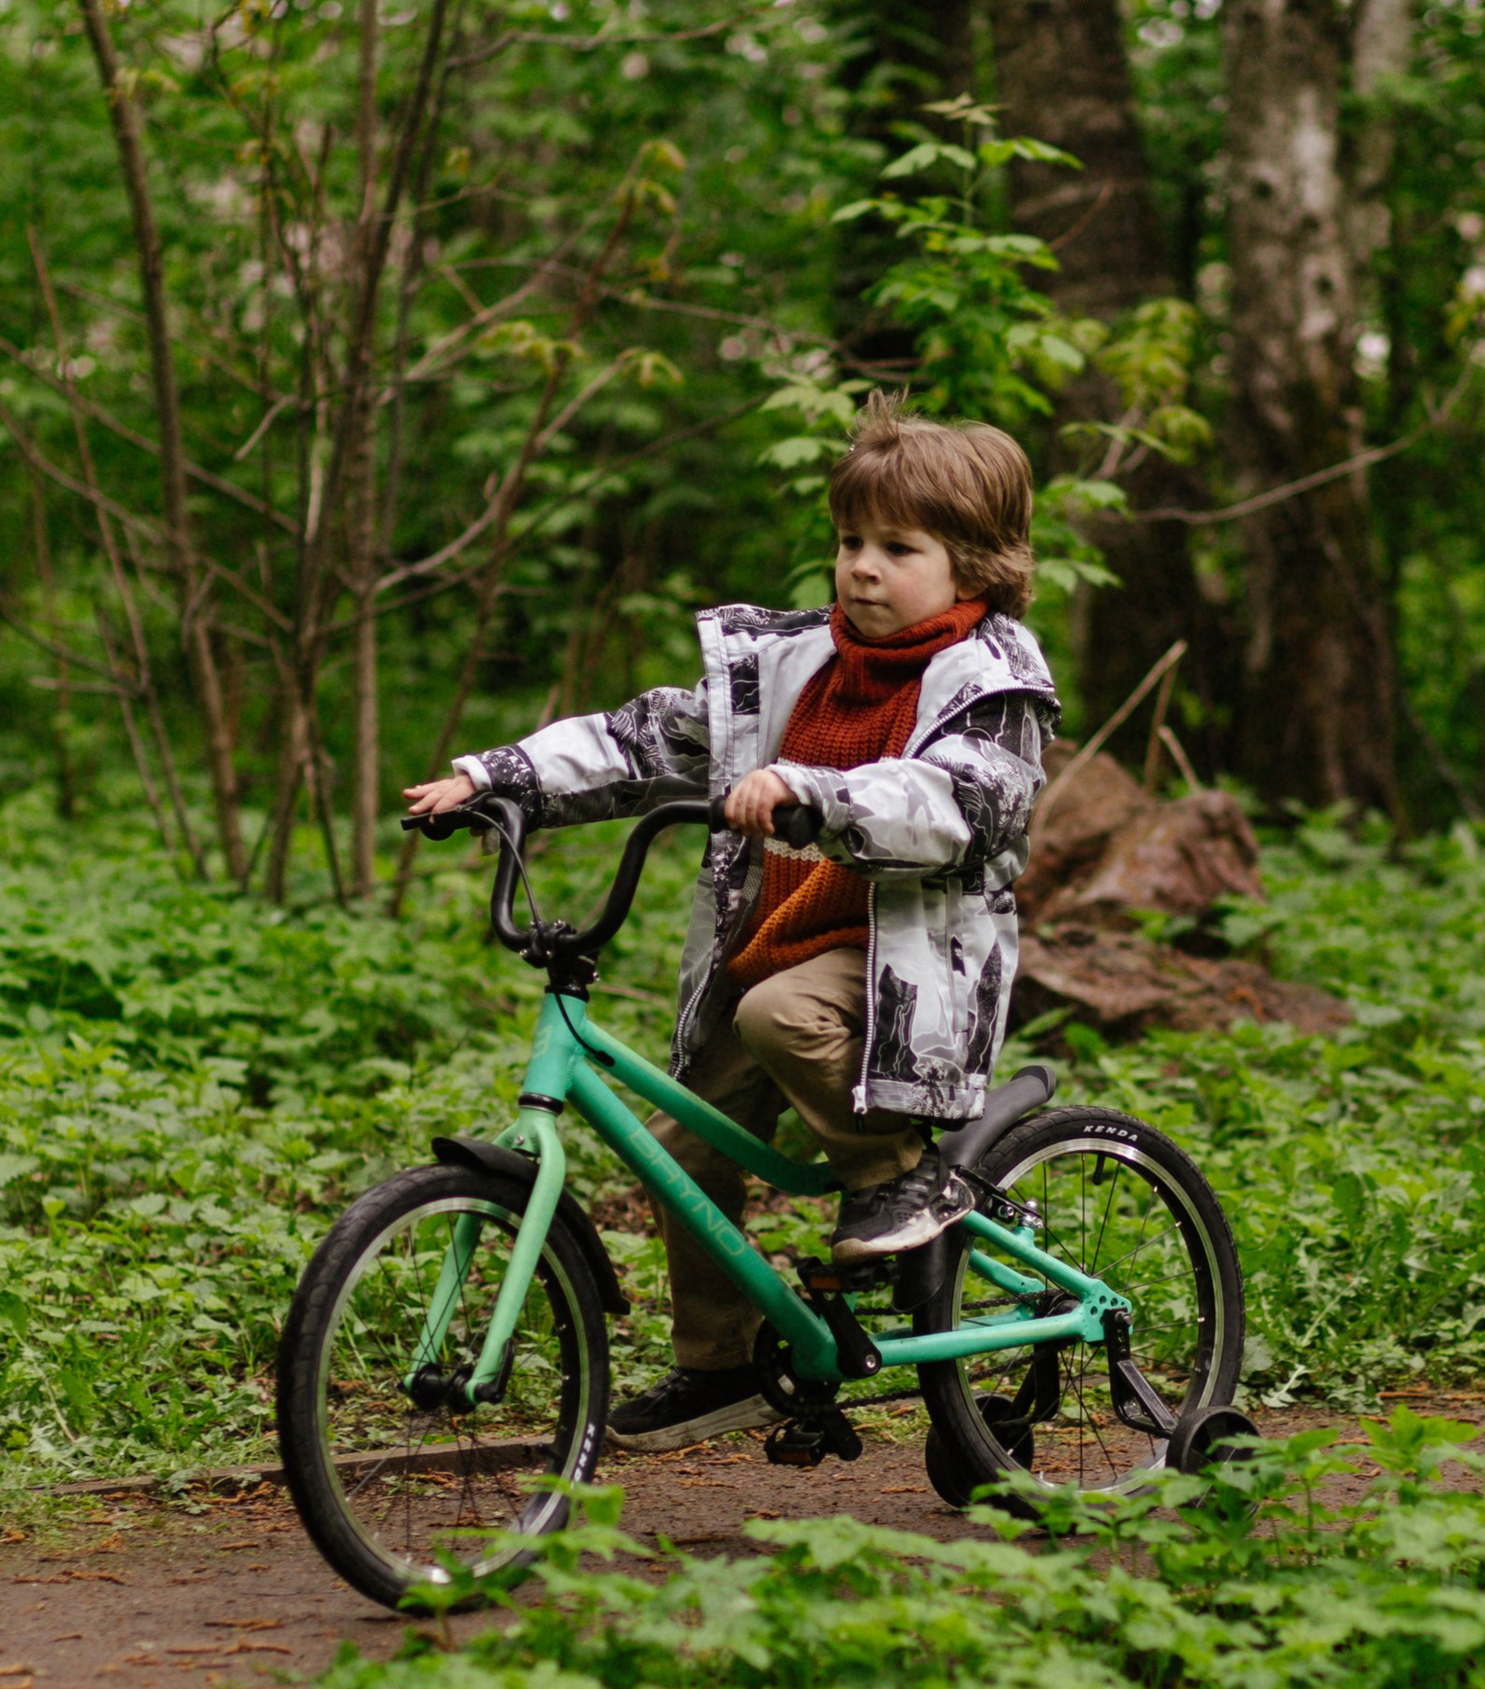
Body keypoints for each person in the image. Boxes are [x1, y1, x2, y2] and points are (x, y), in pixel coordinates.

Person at [403, 399, 1060, 1454]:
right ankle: (720, 1366)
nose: (862, 568)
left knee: (780, 1013)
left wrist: (815, 791)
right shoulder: (791, 666)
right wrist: (496, 776)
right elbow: (640, 740)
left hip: (905, 959)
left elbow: (955, 804)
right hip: (784, 935)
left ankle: (902, 1175)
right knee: (681, 1144)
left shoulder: (992, 685)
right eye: (851, 541)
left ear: (973, 566)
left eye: (899, 548)